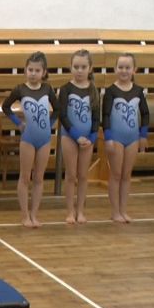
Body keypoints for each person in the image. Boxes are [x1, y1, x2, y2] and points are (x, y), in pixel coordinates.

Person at [2, 52, 57, 228]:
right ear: (25, 70)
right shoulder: (20, 89)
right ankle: (24, 215)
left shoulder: (47, 89)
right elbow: (6, 107)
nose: (33, 73)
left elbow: (58, 109)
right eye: (30, 70)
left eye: (37, 70)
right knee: (25, 177)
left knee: (39, 178)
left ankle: (34, 214)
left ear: (44, 72)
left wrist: (49, 124)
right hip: (28, 138)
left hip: (45, 138)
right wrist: (18, 123)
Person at [102, 53, 149, 223]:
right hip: (116, 137)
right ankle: (115, 211)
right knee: (116, 174)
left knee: (126, 175)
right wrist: (108, 138)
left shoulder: (138, 91)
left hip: (133, 138)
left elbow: (145, 113)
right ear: (115, 69)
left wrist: (143, 135)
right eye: (120, 67)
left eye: (127, 67)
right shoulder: (111, 91)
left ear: (134, 69)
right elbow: (106, 115)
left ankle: (123, 210)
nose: (124, 71)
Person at [57, 49, 99, 225]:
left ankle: (81, 210)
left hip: (88, 138)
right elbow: (62, 116)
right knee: (71, 175)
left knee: (83, 176)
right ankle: (70, 211)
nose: (79, 70)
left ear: (90, 68)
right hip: (69, 136)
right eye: (76, 67)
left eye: (83, 67)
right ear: (70, 67)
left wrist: (92, 137)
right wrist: (76, 135)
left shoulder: (93, 90)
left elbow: (96, 117)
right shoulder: (65, 89)